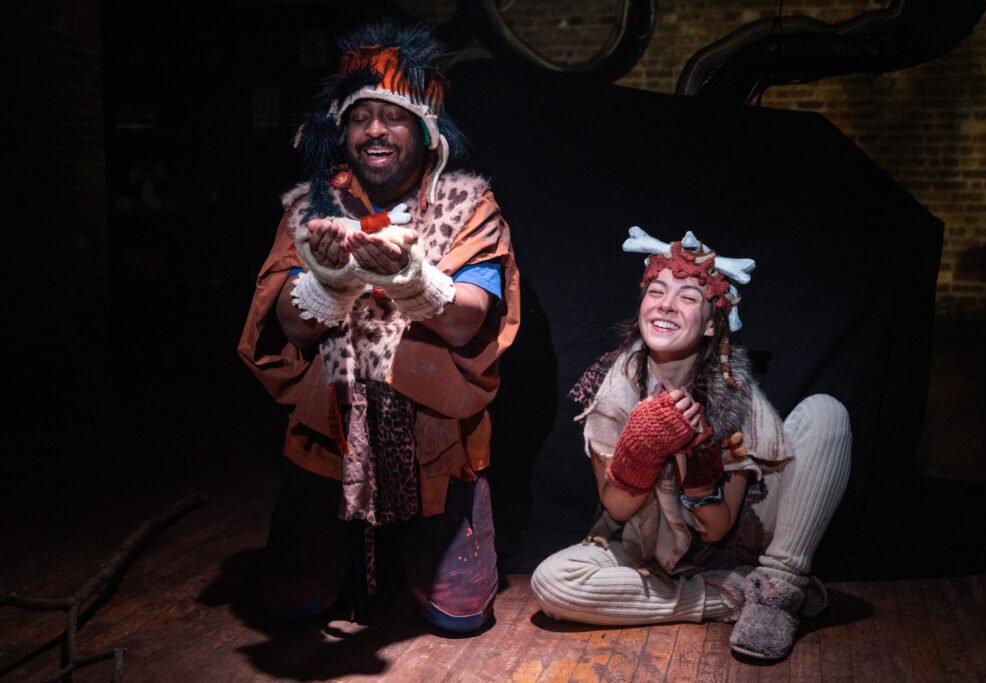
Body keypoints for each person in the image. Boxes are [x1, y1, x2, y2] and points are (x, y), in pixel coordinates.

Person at [238, 22, 520, 634]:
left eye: (392, 116)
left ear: (424, 130)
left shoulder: (471, 205)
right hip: (329, 425)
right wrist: (331, 278)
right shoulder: (309, 210)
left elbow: (470, 318)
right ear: (342, 132)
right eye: (360, 116)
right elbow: (287, 324)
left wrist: (410, 279)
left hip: (434, 431)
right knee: (293, 606)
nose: (374, 130)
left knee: (460, 619)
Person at [530, 227, 850, 660]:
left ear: (711, 325)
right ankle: (742, 597)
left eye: (688, 297)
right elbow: (617, 509)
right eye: (656, 291)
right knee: (553, 583)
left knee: (826, 411)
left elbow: (719, 527)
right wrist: (639, 452)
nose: (665, 304)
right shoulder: (616, 385)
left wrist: (699, 464)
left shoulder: (732, 390)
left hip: (740, 535)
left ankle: (781, 581)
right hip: (653, 546)